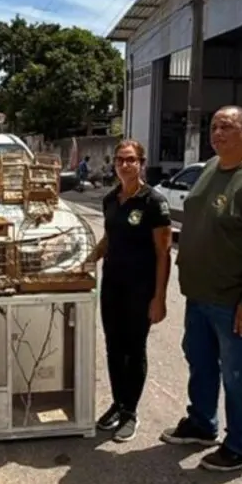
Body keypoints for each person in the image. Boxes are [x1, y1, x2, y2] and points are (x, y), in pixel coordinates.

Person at [160, 105, 242, 472]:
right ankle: (202, 423)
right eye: (214, 127)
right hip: (201, 294)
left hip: (237, 300)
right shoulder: (211, 168)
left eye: (227, 127)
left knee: (240, 373)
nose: (217, 133)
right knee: (200, 361)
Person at [82, 139, 173, 443]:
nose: (125, 165)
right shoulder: (110, 199)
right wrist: (89, 259)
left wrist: (159, 298)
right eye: (120, 160)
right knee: (113, 347)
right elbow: (109, 238)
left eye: (131, 160)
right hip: (113, 286)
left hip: (141, 288)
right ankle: (118, 404)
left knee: (134, 350)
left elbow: (163, 253)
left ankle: (130, 411)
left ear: (141, 163)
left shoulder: (153, 202)